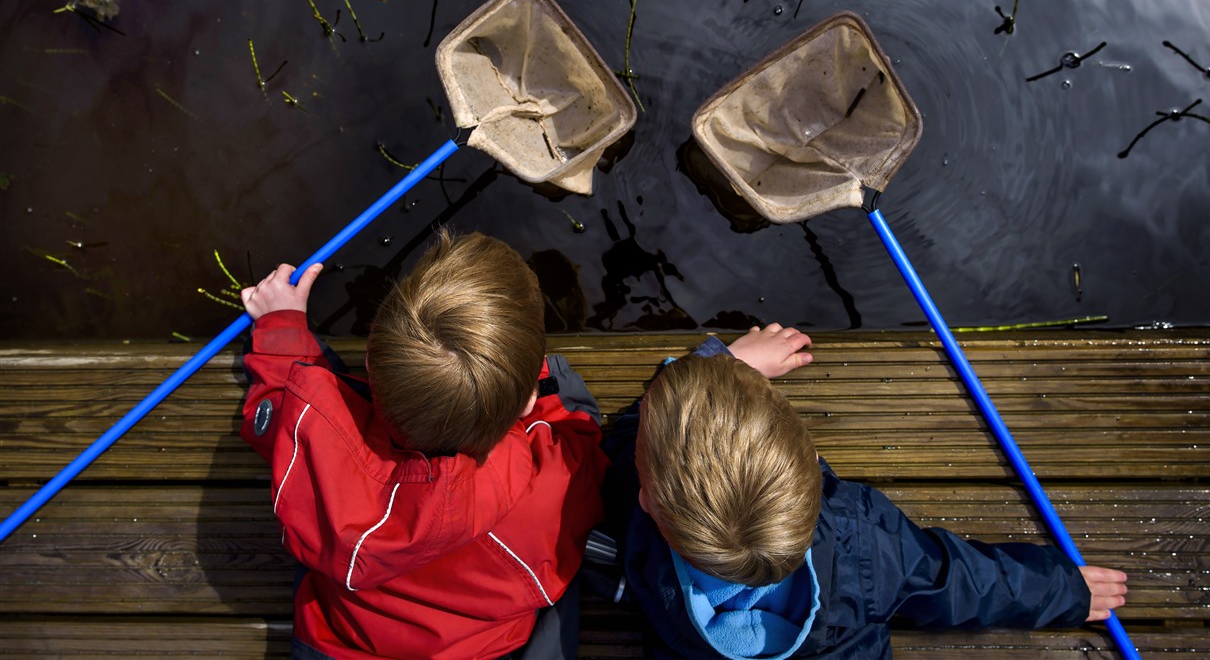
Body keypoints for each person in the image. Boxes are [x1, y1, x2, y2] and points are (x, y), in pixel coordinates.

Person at [602, 323, 1128, 659]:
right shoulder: (862, 539)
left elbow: (633, 438)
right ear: (808, 463)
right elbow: (956, 581)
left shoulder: (637, 523)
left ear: (650, 498)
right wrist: (1062, 590)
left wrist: (719, 363)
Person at [237, 230, 609, 660]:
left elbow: (279, 401)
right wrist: (548, 403)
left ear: (373, 367)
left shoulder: (309, 433)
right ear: (525, 403)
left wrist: (281, 322)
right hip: (473, 649)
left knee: (312, 376)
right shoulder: (550, 495)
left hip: (337, 642)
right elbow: (581, 444)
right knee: (573, 403)